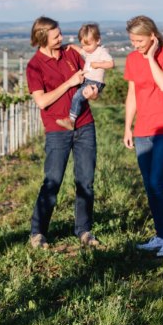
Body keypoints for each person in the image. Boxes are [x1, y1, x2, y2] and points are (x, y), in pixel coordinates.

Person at [26, 16, 100, 249]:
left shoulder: (72, 54)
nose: (62, 38)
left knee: (85, 180)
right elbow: (42, 101)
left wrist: (92, 92)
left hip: (85, 125)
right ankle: (38, 232)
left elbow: (91, 84)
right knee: (53, 180)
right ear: (42, 38)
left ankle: (84, 230)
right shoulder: (34, 66)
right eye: (56, 36)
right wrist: (68, 83)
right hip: (57, 129)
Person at [122, 15, 163, 257]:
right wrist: (128, 126)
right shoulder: (131, 59)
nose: (135, 45)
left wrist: (150, 57)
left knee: (158, 182)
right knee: (149, 186)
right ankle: (161, 234)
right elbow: (133, 94)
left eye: (139, 40)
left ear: (152, 36)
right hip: (142, 130)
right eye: (132, 41)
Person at [56, 23, 114, 131]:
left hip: (95, 82)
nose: (85, 48)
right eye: (83, 45)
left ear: (98, 41)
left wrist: (98, 64)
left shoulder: (101, 51)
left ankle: (71, 120)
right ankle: (73, 117)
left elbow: (111, 64)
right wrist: (71, 45)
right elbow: (80, 51)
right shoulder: (89, 51)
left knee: (78, 96)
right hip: (87, 81)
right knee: (77, 95)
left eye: (88, 45)